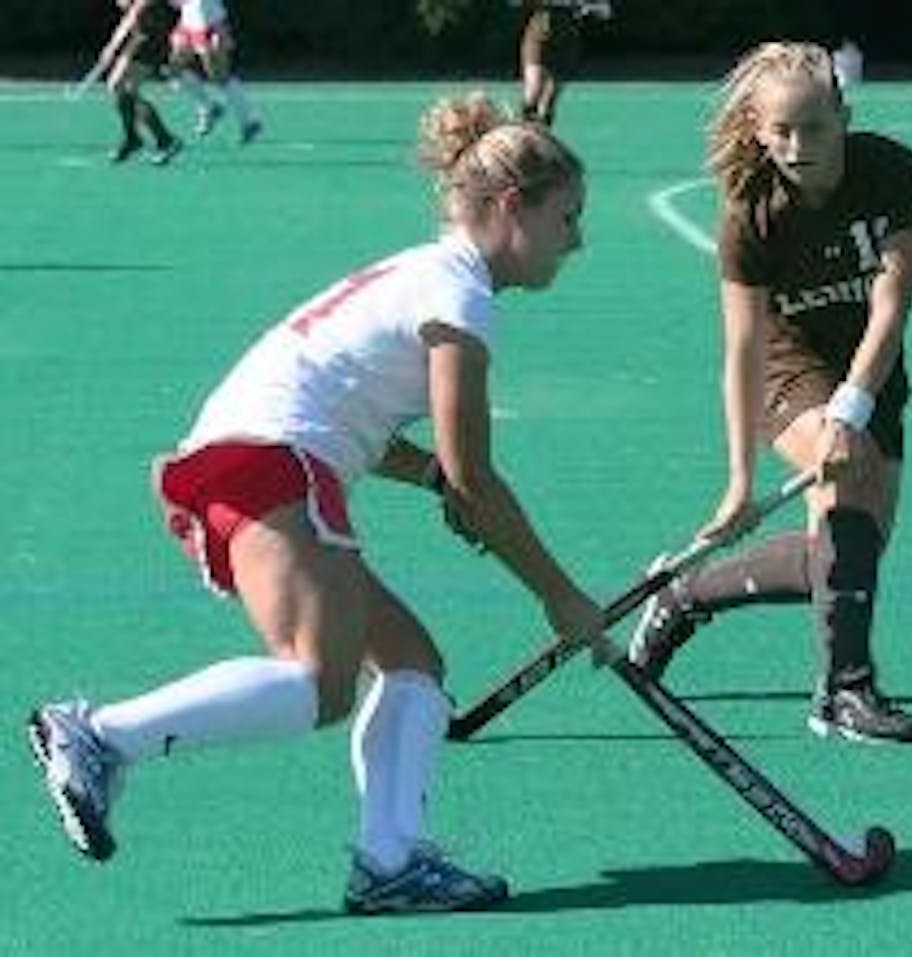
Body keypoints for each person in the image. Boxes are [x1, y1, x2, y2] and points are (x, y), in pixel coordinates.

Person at [26, 91, 604, 913]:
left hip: (260, 460)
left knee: (413, 666)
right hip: (269, 463)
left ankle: (391, 858)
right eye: (567, 218)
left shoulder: (427, 272)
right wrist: (561, 596)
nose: (576, 241)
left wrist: (437, 483)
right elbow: (475, 473)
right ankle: (99, 734)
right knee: (318, 681)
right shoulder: (461, 296)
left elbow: (389, 437)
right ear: (514, 207)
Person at [628, 41, 912, 744]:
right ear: (759, 131)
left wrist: (852, 408)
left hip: (869, 362)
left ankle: (682, 593)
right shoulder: (751, 212)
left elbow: (891, 309)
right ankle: (845, 692)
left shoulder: (896, 174)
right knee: (849, 491)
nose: (798, 146)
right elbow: (740, 349)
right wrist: (738, 481)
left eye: (815, 127)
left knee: (850, 553)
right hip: (785, 365)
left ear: (843, 115)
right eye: (781, 131)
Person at [166, 0, 262, 143]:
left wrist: (221, 31)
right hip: (188, 22)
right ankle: (210, 105)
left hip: (210, 22)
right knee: (173, 68)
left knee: (218, 75)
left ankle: (249, 121)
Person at [102, 0, 182, 165]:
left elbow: (139, 10)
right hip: (141, 33)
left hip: (150, 36)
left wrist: (113, 44)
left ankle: (164, 139)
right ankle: (134, 138)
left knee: (123, 88)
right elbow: (128, 9)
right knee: (120, 88)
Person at [516, 0, 612, 127]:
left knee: (548, 102)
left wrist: (589, 8)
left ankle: (542, 137)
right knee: (532, 92)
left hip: (566, 42)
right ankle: (522, 131)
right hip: (537, 36)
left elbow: (605, 11)